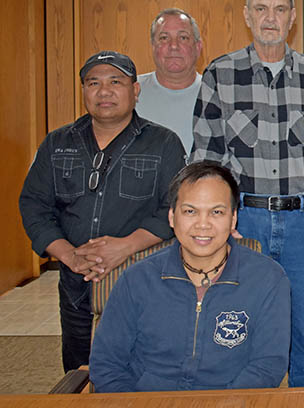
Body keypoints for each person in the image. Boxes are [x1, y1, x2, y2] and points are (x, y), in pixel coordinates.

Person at [190, 0, 304, 387]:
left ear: (293, 18)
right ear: (248, 15)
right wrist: (214, 218)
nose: (271, 18)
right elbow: (206, 158)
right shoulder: (220, 74)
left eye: (280, 9)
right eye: (262, 9)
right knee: (237, 326)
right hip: (243, 222)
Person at [19, 51, 186, 372]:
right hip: (76, 278)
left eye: (115, 82)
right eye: (93, 83)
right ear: (83, 90)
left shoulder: (164, 143)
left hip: (142, 274)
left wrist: (123, 248)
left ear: (135, 91)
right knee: (81, 367)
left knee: (144, 366)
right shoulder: (56, 143)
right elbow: (33, 204)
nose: (104, 91)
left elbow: (175, 207)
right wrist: (68, 255)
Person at [90, 161, 290, 392]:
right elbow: (106, 364)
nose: (203, 224)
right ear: (172, 217)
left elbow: (267, 366)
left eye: (217, 212)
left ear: (233, 218)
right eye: (190, 211)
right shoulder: (137, 279)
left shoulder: (268, 279)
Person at [136, 8, 203, 152]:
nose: (173, 46)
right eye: (164, 38)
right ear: (153, 47)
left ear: (198, 47)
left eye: (183, 37)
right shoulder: (130, 93)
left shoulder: (215, 93)